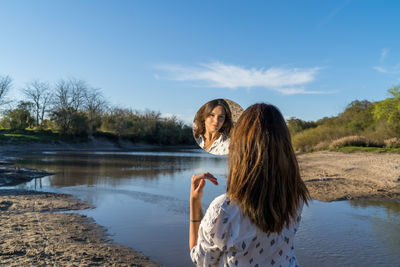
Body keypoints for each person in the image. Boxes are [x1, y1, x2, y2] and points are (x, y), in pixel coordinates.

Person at [189, 103, 310, 267]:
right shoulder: (295, 197)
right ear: (284, 146)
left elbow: (201, 260)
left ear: (240, 149)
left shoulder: (224, 209)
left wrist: (195, 202)